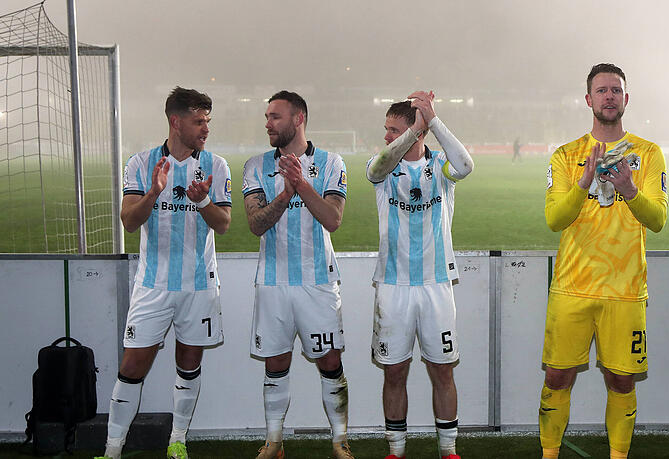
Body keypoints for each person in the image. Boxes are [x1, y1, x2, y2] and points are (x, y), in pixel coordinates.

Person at [540, 63, 668, 459]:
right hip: (572, 287)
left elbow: (658, 220)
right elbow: (555, 219)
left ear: (625, 99)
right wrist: (584, 182)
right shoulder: (565, 155)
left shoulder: (647, 154)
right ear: (589, 99)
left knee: (621, 379)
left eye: (616, 90)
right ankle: (548, 454)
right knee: (557, 377)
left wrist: (629, 188)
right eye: (602, 90)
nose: (609, 96)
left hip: (625, 289)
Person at [97, 87, 232, 459]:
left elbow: (223, 224)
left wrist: (202, 199)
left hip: (199, 285)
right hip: (152, 285)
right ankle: (112, 450)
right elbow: (128, 221)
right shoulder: (140, 164)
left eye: (207, 121)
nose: (206, 129)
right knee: (132, 366)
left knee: (189, 365)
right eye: (199, 121)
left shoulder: (216, 166)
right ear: (176, 121)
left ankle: (178, 441)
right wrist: (154, 192)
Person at [242, 90, 353, 459]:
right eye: (268, 116)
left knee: (330, 361)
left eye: (275, 116)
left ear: (298, 118)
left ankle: (339, 442)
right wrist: (284, 193)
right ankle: (274, 442)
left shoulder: (331, 162)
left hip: (318, 282)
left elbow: (333, 220)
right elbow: (256, 224)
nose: (268, 123)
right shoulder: (255, 166)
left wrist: (301, 185)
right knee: (275, 363)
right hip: (273, 282)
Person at [367, 91, 474, 459]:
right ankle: (396, 450)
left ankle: (449, 451)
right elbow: (375, 169)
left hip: (436, 286)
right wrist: (411, 132)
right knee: (394, 372)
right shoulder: (384, 167)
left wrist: (433, 122)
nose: (387, 136)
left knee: (442, 371)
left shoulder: (441, 166)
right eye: (387, 129)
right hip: (393, 287)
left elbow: (466, 166)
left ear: (418, 130)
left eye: (393, 129)